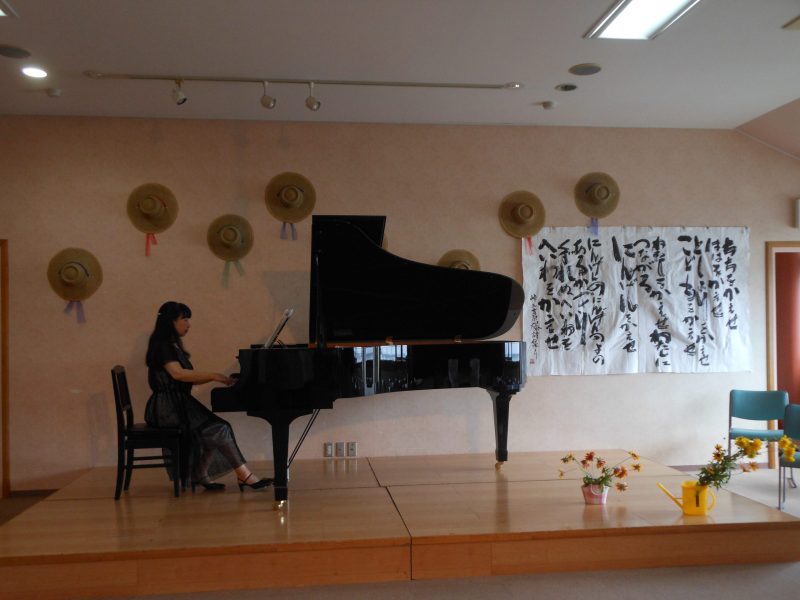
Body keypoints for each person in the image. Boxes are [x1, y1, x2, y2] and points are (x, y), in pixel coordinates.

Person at [144, 301, 270, 491]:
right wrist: (213, 375)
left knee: (216, 430)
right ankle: (244, 475)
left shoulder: (171, 345)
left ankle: (201, 474)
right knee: (218, 429)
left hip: (175, 404)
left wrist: (218, 378)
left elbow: (188, 378)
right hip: (167, 409)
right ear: (171, 321)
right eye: (184, 319)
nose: (188, 324)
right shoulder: (163, 346)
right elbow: (178, 374)